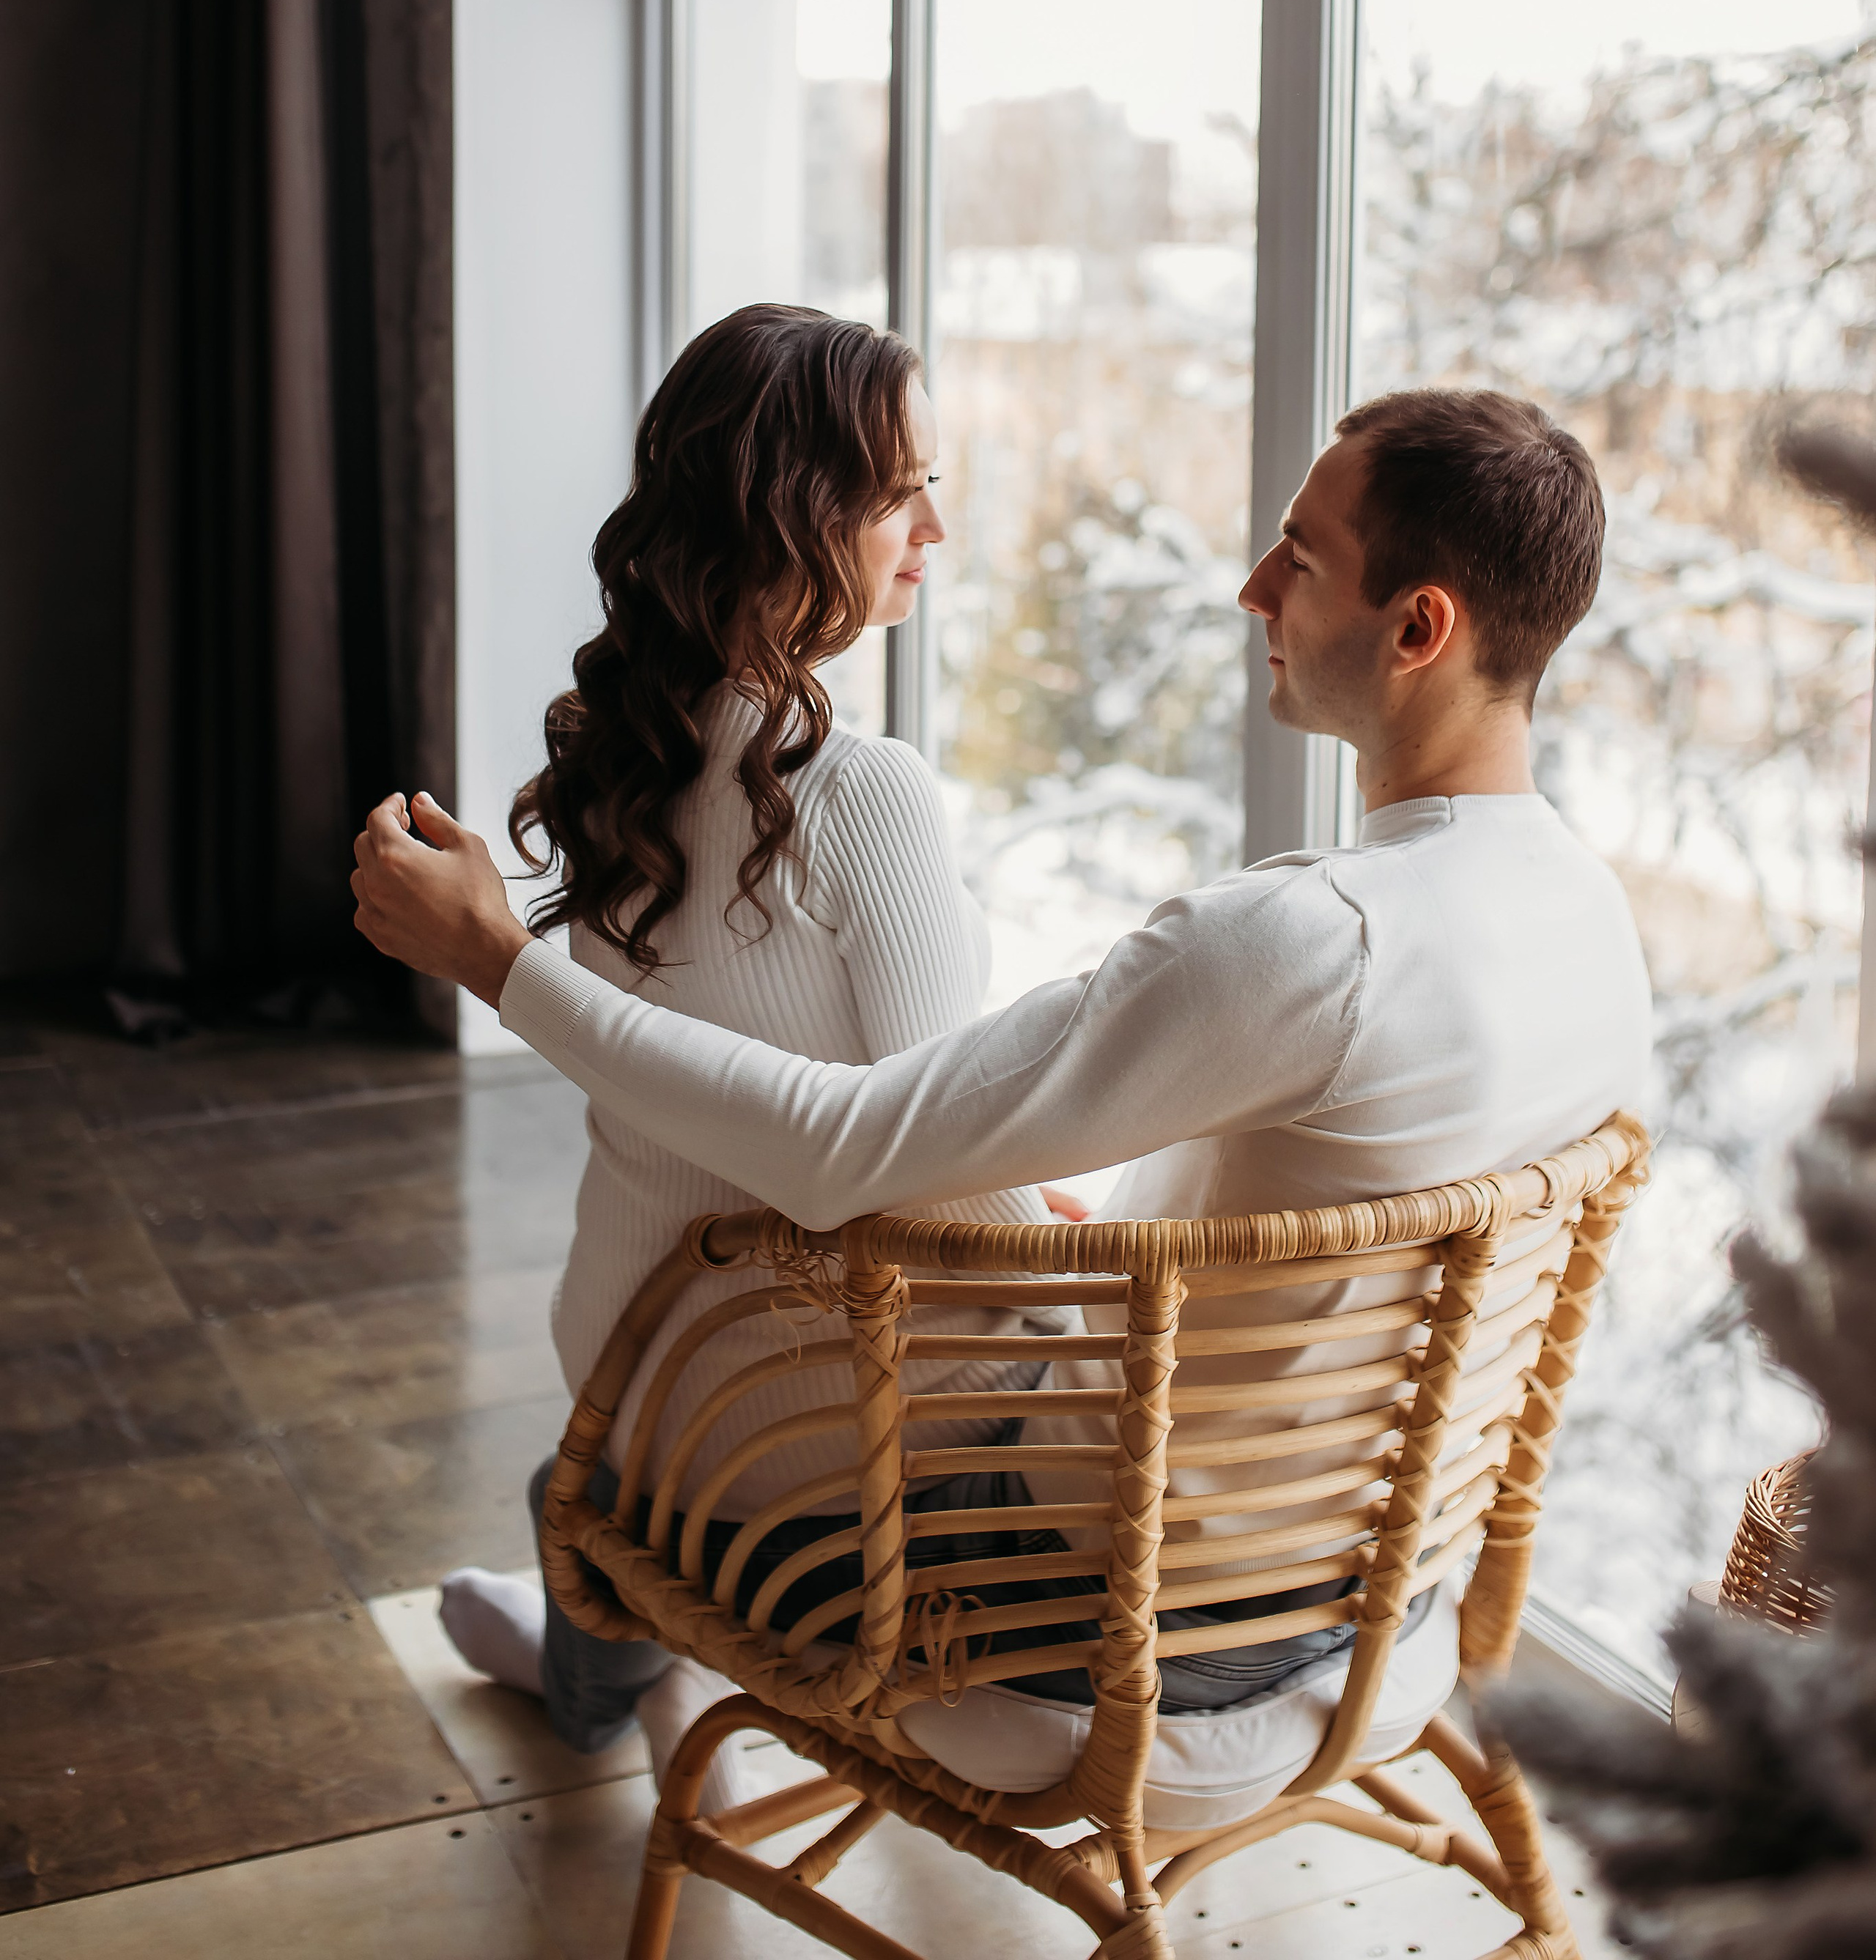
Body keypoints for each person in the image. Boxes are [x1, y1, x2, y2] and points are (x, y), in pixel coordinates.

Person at [355, 385, 1652, 1772]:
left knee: (609, 1470)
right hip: (1383, 1567)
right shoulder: (1592, 923)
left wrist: (502, 962)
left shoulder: (1302, 942)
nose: (1250, 586)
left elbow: (838, 1148)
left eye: (1302, 557)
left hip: (1117, 1603)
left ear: (1420, 627)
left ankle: (580, 1643)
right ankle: (580, 1636)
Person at [428, 305, 1071, 1812]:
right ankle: (622, 1657)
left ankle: (582, 1654)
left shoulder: (612, 759)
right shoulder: (866, 796)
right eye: (900, 487)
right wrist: (1072, 1232)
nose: (935, 524)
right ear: (791, 511)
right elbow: (930, 1169)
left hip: (632, 1369)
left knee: (588, 1489)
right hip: (807, 1432)